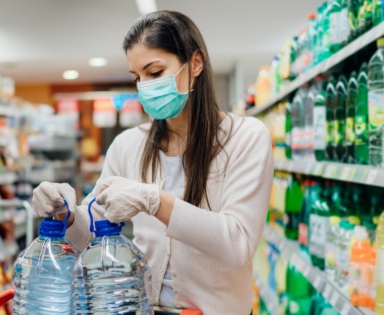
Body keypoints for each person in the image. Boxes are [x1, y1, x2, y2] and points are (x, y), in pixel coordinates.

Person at [32, 10, 273, 314]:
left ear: (195, 63)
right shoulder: (128, 145)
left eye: (155, 72)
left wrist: (155, 201)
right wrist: (65, 215)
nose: (144, 86)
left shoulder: (246, 138)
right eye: (137, 77)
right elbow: (92, 234)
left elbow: (237, 244)